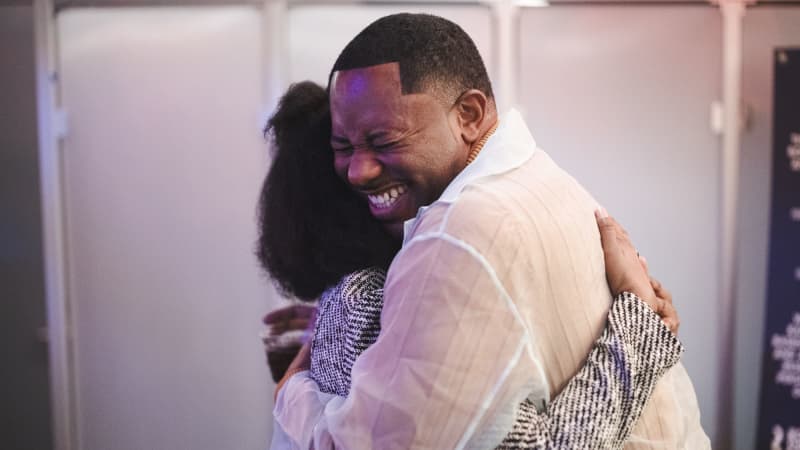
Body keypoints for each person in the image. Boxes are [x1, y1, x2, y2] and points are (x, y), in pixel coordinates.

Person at [266, 13, 709, 449]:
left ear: (469, 114)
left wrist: (297, 386)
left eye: (384, 142)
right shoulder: (507, 198)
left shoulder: (448, 243)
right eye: (342, 148)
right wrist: (640, 326)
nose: (359, 171)